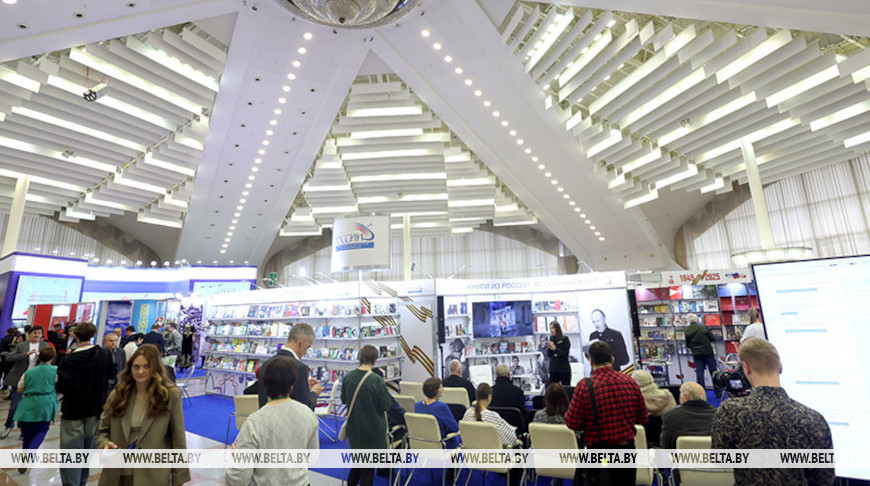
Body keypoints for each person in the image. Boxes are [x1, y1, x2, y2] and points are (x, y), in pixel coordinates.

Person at [712, 339, 834, 486]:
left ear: (746, 368)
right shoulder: (813, 419)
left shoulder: (731, 411)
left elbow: (720, 460)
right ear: (780, 368)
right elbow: (824, 479)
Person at [96, 344, 189, 486]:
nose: (140, 371)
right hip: (116, 474)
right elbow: (102, 432)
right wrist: (105, 445)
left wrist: (179, 478)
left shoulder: (169, 396)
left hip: (152, 475)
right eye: (136, 367)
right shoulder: (118, 395)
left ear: (155, 368)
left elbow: (178, 439)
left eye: (146, 366)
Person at [225, 356, 319, 486]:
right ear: (292, 384)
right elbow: (312, 458)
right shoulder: (308, 414)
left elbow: (238, 478)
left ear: (264, 383)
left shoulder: (255, 421)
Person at [565, 341, 648, 486]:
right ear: (612, 360)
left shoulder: (584, 386)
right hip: (626, 450)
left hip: (598, 452)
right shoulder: (630, 382)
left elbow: (572, 422)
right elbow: (643, 417)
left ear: (591, 361)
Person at [56, 322, 113, 486]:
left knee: (71, 452)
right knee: (88, 450)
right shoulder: (104, 355)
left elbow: (61, 386)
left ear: (75, 336)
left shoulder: (69, 360)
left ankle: (71, 483)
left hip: (73, 410)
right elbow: (111, 375)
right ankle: (82, 481)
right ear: (93, 335)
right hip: (95, 409)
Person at [341, 345, 392, 486]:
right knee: (368, 469)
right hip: (373, 429)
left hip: (354, 428)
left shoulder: (349, 377)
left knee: (358, 464)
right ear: (375, 359)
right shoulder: (376, 380)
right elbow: (386, 405)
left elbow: (344, 399)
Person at [462, 384, 520, 486]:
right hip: (494, 460)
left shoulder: (467, 414)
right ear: (489, 397)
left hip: (473, 458)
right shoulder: (493, 416)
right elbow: (510, 439)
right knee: (517, 450)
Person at [257, 323, 323, 409]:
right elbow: (305, 408)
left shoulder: (266, 364)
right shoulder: (299, 368)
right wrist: (314, 393)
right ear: (302, 342)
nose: (306, 352)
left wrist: (304, 386)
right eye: (308, 347)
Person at [14, 347, 58, 472]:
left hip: (28, 403)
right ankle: (30, 455)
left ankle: (24, 459)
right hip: (46, 404)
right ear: (53, 358)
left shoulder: (29, 372)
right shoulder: (56, 371)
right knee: (41, 431)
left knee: (26, 433)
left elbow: (19, 389)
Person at [2, 326, 50, 439]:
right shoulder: (21, 345)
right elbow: (10, 358)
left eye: (39, 333)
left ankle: (24, 430)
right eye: (34, 333)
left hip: (36, 381)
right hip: (20, 379)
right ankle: (8, 425)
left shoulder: (45, 345)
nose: (36, 335)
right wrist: (25, 354)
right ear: (29, 334)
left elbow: (50, 359)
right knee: (14, 406)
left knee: (29, 407)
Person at [660, 382, 717, 450]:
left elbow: (665, 446)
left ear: (686, 397)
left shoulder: (670, 416)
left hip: (681, 456)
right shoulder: (719, 415)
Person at [632, 369, 676, 447]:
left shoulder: (636, 398)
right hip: (667, 439)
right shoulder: (668, 395)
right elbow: (674, 416)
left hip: (644, 440)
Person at [683, 313, 722, 398]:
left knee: (699, 373)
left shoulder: (687, 330)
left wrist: (694, 348)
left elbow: (687, 344)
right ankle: (718, 392)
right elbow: (712, 338)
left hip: (696, 354)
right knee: (713, 372)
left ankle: (701, 394)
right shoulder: (703, 328)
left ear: (688, 320)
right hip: (708, 352)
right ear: (696, 319)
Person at [415, 377, 459, 448]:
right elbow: (455, 428)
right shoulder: (441, 407)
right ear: (436, 390)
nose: (443, 389)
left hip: (422, 443)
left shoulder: (417, 405)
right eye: (441, 387)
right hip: (440, 444)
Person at [546, 321, 571, 386]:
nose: (551, 330)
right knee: (553, 389)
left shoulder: (565, 339)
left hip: (564, 369)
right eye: (550, 328)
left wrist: (555, 349)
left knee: (566, 388)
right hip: (554, 369)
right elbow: (549, 355)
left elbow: (565, 354)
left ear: (557, 328)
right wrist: (549, 348)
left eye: (553, 328)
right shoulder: (551, 339)